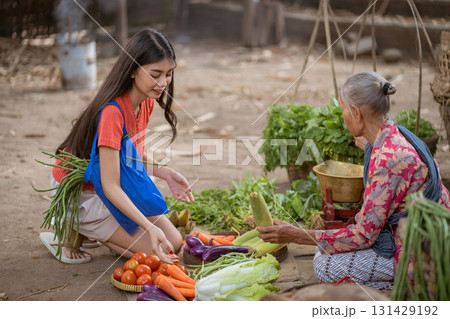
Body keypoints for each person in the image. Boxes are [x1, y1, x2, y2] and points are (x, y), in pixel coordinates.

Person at [257, 71, 450, 289]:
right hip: (425, 229)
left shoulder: (388, 159)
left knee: (325, 266)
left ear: (356, 113)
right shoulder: (392, 135)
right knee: (323, 251)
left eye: (343, 111)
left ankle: (403, 283)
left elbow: (363, 236)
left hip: (423, 246)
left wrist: (295, 235)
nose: (343, 117)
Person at [41, 28, 194, 264]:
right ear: (133, 71)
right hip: (82, 190)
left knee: (172, 242)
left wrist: (166, 173)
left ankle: (101, 230)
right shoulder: (112, 112)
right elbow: (110, 185)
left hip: (108, 183)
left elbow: (129, 159)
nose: (163, 83)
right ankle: (77, 226)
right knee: (155, 254)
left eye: (169, 74)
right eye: (155, 74)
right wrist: (148, 227)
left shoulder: (145, 103)